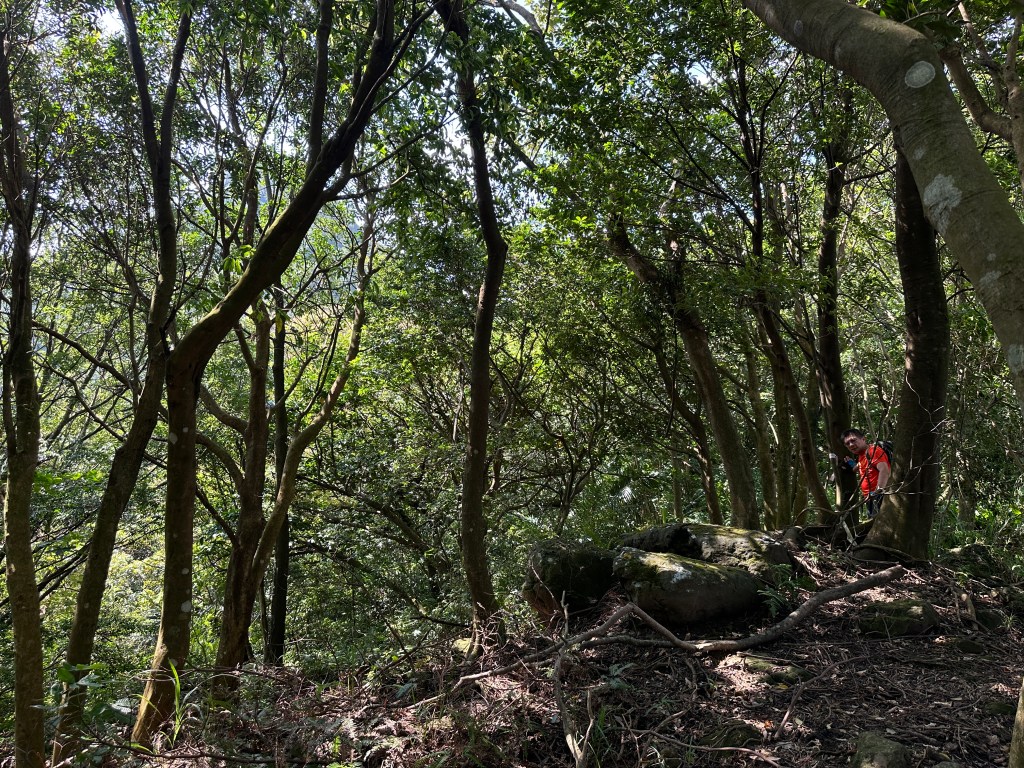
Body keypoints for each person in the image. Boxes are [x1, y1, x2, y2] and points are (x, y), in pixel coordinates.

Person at [840, 428, 890, 518]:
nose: (851, 445)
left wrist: (878, 493)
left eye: (853, 440)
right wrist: (851, 464)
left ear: (863, 439)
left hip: (878, 497)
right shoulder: (862, 455)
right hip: (869, 498)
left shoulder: (872, 451)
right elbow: (861, 467)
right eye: (847, 443)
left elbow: (884, 470)